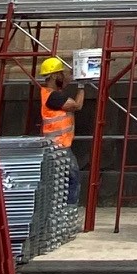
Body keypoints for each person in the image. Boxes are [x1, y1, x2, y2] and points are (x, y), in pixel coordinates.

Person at [38, 54, 85, 205]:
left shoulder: (52, 95)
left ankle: (61, 212)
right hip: (58, 147)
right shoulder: (53, 97)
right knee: (72, 180)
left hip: (57, 146)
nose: (63, 76)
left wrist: (71, 78)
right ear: (53, 75)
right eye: (61, 74)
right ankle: (67, 213)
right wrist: (82, 85)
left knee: (61, 182)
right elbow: (77, 105)